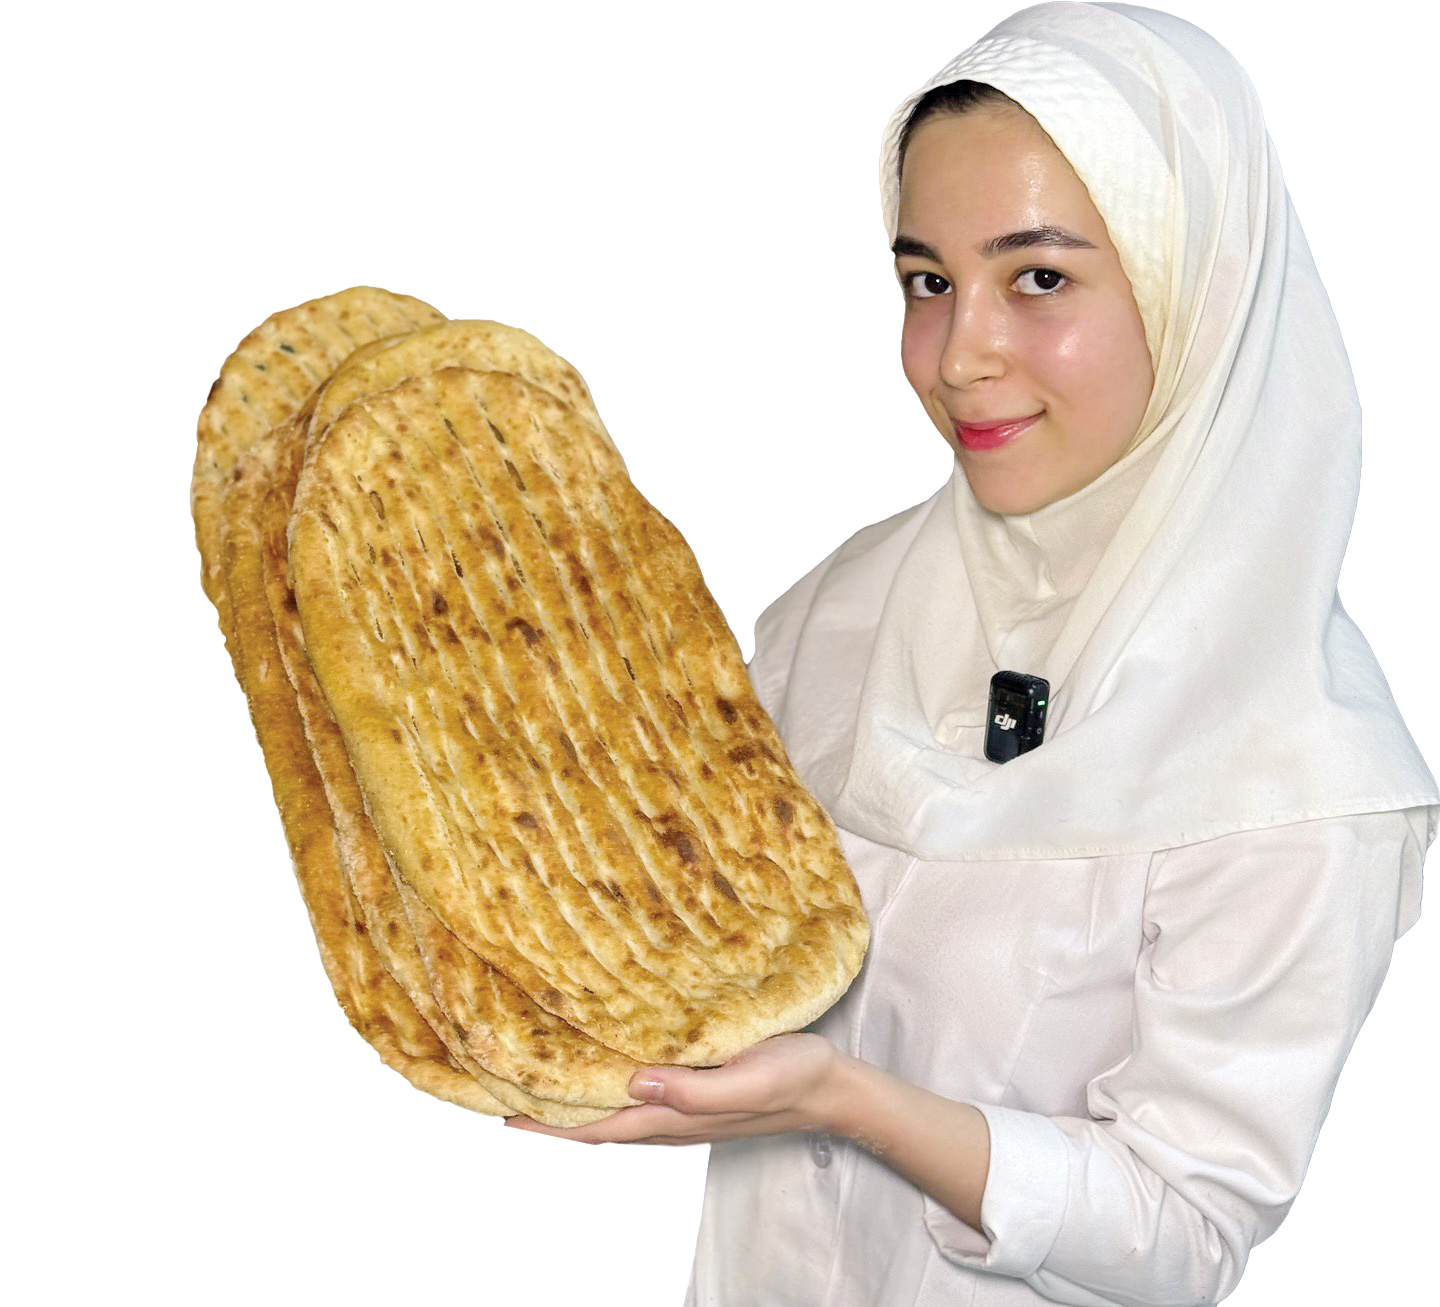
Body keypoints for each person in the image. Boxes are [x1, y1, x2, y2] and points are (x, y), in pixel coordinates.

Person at [506, 4, 1438, 1303]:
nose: (959, 357)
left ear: (1200, 289)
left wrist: (845, 1100)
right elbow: (679, 916)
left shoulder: (1298, 768)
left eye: (1038, 278)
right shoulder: (840, 609)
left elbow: (1182, 1236)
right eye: (927, 281)